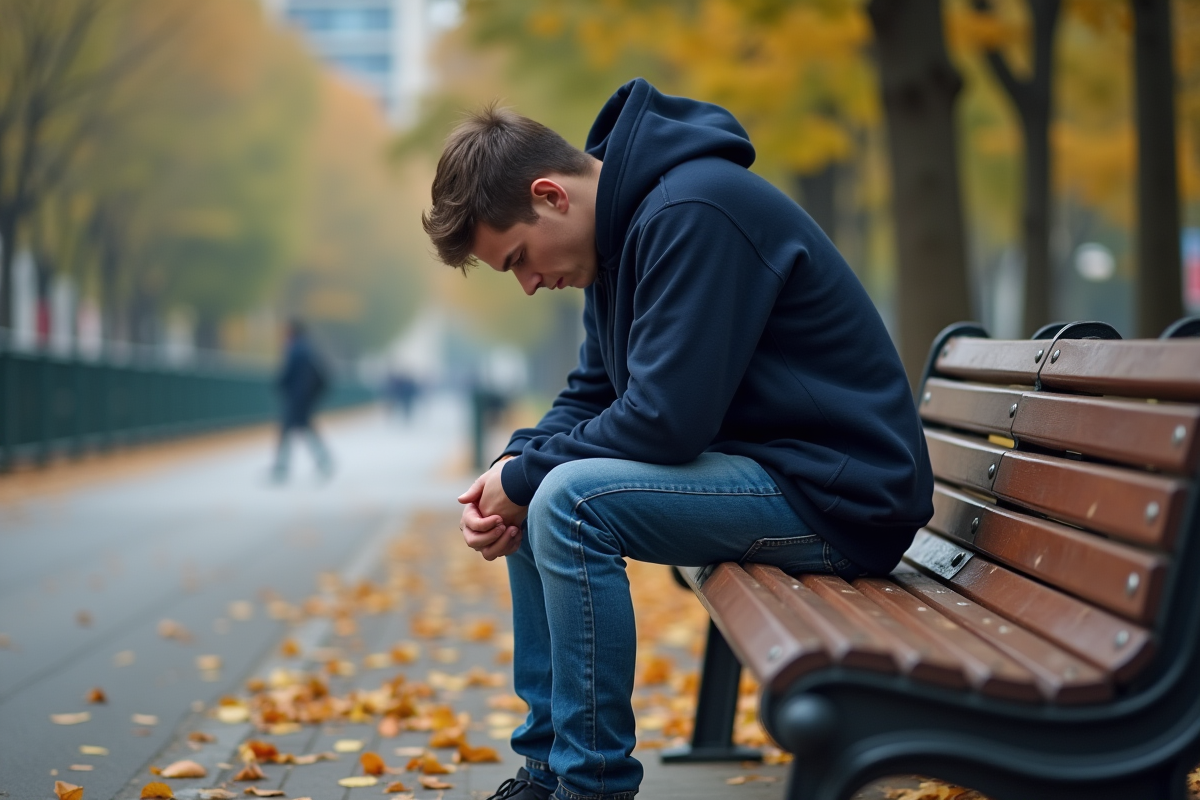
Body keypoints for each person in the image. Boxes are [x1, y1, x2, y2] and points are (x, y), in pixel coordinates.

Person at [422, 79, 933, 800]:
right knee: (542, 488)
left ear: (550, 196)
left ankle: (590, 785)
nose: (530, 284)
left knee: (566, 500)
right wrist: (515, 460)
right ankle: (546, 771)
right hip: (776, 476)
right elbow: (594, 393)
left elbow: (666, 421)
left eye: (518, 259)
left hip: (842, 498)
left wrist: (532, 475)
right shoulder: (620, 234)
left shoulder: (694, 212)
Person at [270, 319, 333, 482]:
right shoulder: (308, 348)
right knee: (304, 429)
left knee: (288, 431)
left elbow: (288, 374)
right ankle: (323, 460)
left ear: (292, 331)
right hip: (304, 397)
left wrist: (279, 384)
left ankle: (281, 468)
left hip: (297, 398)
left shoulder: (296, 349)